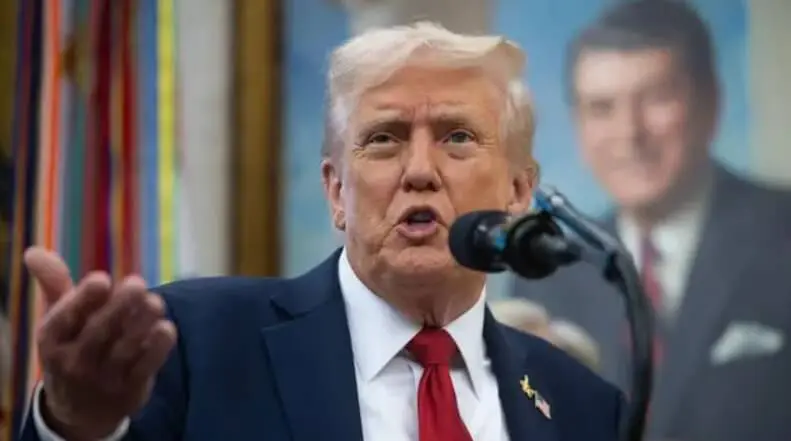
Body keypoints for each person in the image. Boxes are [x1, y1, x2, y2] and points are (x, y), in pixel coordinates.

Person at [20, 22, 622, 441]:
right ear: (337, 192)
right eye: (383, 138)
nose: (418, 171)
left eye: (457, 137)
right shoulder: (193, 345)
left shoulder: (583, 407)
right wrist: (75, 425)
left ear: (519, 192)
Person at [513, 2, 791, 441]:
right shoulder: (550, 271)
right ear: (578, 124)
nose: (630, 134)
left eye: (657, 98)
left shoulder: (783, 235)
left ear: (711, 103)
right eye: (602, 108)